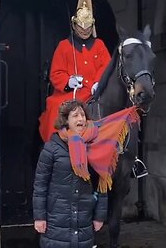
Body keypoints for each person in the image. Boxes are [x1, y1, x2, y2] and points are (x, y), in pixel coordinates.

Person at [33, 100, 141, 247]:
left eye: (83, 115)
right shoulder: (51, 148)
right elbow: (40, 186)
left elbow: (101, 182)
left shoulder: (93, 146)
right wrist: (39, 217)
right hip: (57, 220)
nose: (81, 119)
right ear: (65, 121)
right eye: (75, 116)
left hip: (83, 220)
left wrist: (99, 216)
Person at [38, 0, 111, 143]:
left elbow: (106, 67)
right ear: (74, 24)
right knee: (54, 107)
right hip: (68, 94)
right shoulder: (64, 46)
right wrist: (68, 81)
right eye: (81, 26)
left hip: (93, 92)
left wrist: (98, 81)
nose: (84, 30)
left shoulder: (99, 45)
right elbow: (56, 73)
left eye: (87, 27)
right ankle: (55, 146)